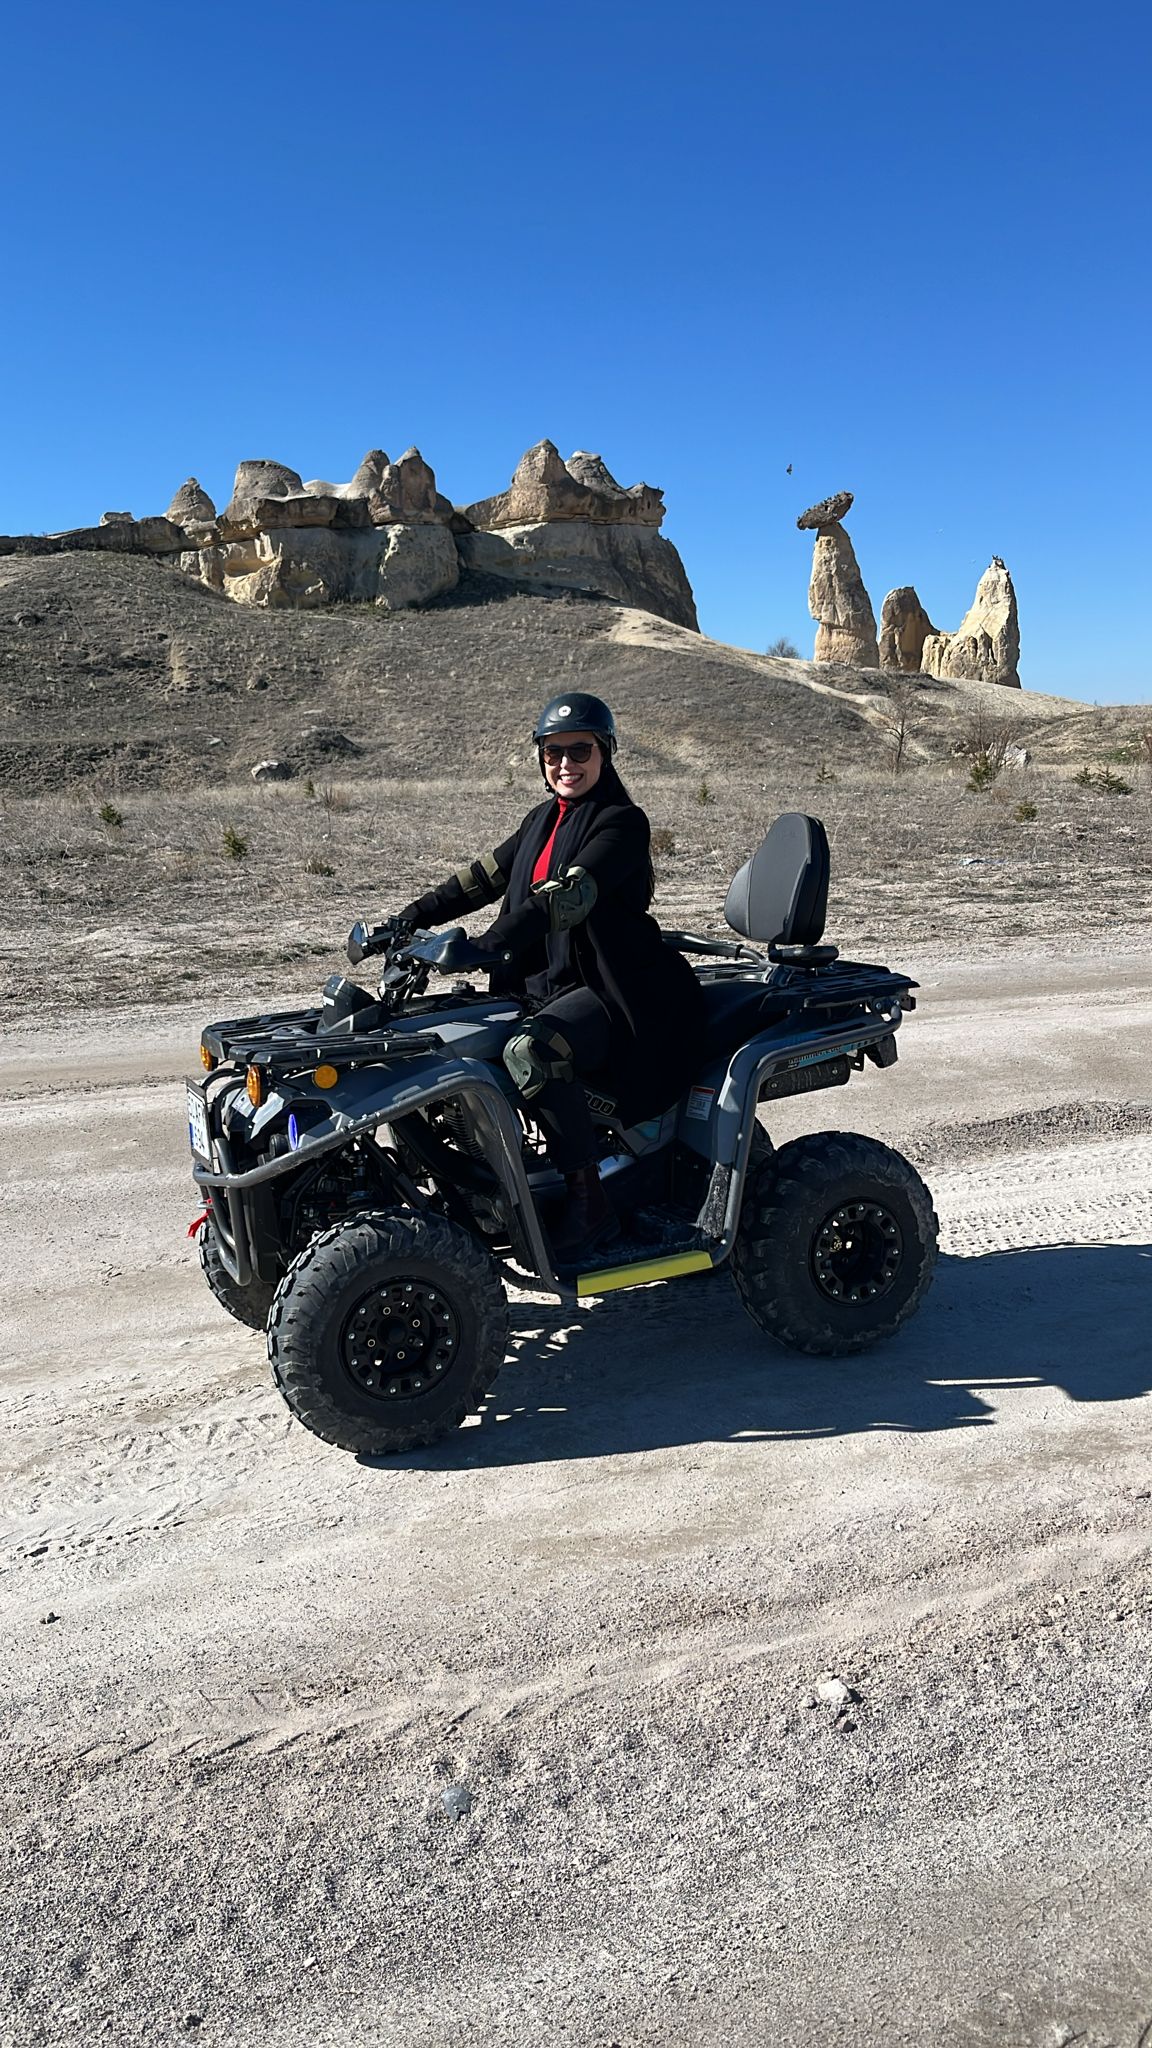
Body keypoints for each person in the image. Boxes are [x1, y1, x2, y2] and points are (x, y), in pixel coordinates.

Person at [390, 692, 706, 1259]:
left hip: (612, 990)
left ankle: (590, 1203)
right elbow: (477, 881)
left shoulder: (623, 823)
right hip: (540, 985)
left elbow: (567, 898)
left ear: (604, 752)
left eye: (579, 750)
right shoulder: (538, 820)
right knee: (444, 1042)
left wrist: (485, 946)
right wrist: (409, 918)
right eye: (553, 751)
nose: (566, 763)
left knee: (531, 1053)